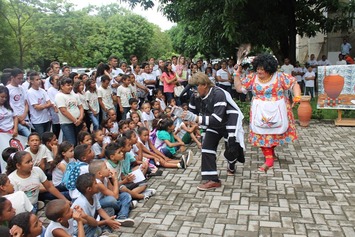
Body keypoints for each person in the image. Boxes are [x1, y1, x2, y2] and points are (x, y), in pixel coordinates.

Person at [234, 53, 301, 173]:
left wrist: (297, 97)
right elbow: (239, 88)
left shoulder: (280, 77)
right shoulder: (252, 78)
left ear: (269, 68)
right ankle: (269, 160)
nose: (259, 71)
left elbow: (294, 84)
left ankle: (271, 153)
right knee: (261, 133)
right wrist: (237, 74)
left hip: (278, 109)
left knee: (274, 133)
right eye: (258, 68)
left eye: (262, 68)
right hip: (259, 111)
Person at [182, 72, 245, 191]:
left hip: (228, 122)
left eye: (196, 87)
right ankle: (213, 179)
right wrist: (185, 116)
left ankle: (231, 165)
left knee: (231, 150)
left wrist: (195, 118)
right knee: (206, 147)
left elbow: (217, 118)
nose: (194, 91)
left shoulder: (218, 93)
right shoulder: (195, 96)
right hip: (213, 124)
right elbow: (193, 114)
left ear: (204, 85)